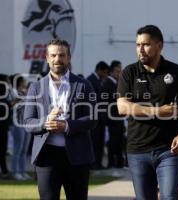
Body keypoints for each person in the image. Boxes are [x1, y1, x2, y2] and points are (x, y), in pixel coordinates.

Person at [117, 25, 178, 200]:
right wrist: (158, 111)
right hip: (137, 150)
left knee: (170, 196)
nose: (140, 50)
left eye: (146, 44)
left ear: (159, 45)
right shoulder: (128, 73)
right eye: (137, 45)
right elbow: (122, 108)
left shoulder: (177, 72)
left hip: (169, 149)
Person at [23, 39, 96, 200]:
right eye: (53, 55)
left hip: (77, 156)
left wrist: (67, 126)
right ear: (47, 58)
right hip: (46, 156)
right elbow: (28, 122)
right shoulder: (36, 87)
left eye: (62, 55)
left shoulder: (84, 85)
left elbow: (92, 118)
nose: (57, 59)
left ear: (68, 57)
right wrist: (45, 122)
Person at [101, 60, 126, 168]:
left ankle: (119, 163)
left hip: (118, 117)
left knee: (119, 142)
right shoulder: (108, 83)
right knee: (113, 142)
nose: (119, 72)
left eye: (120, 70)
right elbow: (108, 102)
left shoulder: (116, 83)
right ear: (111, 71)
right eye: (117, 70)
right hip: (112, 118)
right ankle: (111, 163)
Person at [86, 61, 109, 169]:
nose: (105, 75)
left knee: (100, 141)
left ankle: (99, 163)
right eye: (104, 73)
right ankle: (93, 163)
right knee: (94, 141)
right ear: (99, 70)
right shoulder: (90, 80)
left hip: (101, 117)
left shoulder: (100, 81)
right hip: (94, 116)